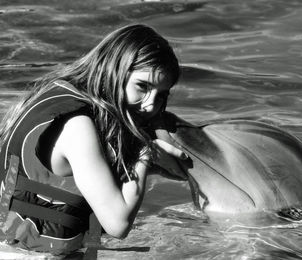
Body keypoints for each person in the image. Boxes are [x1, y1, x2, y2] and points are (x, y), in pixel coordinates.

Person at [0, 24, 188, 254]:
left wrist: (150, 167)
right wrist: (145, 156)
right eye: (142, 86)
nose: (150, 105)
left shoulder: (57, 95)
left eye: (161, 95)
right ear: (114, 70)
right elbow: (117, 223)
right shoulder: (77, 127)